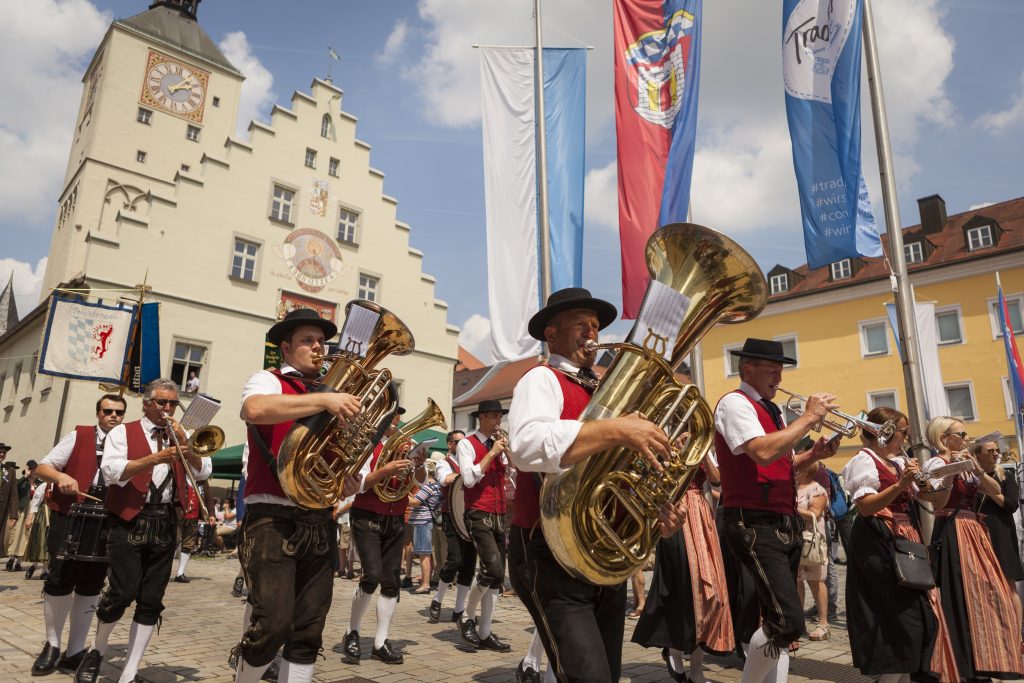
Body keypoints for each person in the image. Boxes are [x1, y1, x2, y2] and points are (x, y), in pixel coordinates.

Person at [507, 287, 687, 682]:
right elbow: (524, 446)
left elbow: (622, 475)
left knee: (605, 673)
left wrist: (656, 510)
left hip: (601, 553)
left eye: (595, 325)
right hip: (548, 551)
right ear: (551, 335)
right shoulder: (541, 378)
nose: (592, 332)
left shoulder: (605, 390)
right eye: (580, 325)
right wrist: (614, 428)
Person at [233, 308, 361, 683]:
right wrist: (325, 400)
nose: (318, 347)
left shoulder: (328, 391)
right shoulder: (268, 379)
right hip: (271, 517)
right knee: (272, 625)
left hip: (318, 518)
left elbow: (331, 454)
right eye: (308, 340)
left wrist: (343, 475)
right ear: (286, 348)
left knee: (308, 629)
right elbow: (253, 409)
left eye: (321, 341)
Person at [713, 337, 839, 683]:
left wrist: (813, 455)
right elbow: (761, 451)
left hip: (781, 519)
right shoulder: (734, 404)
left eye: (781, 370)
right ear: (748, 369)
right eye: (772, 370)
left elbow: (780, 464)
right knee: (788, 620)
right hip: (752, 519)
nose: (779, 378)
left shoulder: (773, 410)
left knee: (776, 619)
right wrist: (810, 418)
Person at [75, 378, 211, 683]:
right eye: (161, 402)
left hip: (165, 519)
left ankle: (130, 670)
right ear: (147, 403)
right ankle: (97, 650)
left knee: (152, 598)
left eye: (173, 403)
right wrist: (153, 459)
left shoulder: (181, 434)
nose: (167, 409)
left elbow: (203, 471)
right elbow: (111, 472)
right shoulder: (124, 431)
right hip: (129, 518)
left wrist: (186, 446)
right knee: (122, 592)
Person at [841, 406, 959, 682]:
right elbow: (867, 507)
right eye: (904, 432)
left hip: (905, 540)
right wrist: (899, 484)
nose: (906, 438)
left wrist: (948, 477)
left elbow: (934, 502)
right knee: (897, 620)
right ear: (887, 433)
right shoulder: (864, 460)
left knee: (917, 619)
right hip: (878, 540)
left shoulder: (896, 462)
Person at [30, 394, 125, 676]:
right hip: (70, 516)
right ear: (98, 413)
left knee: (92, 583)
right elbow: (42, 468)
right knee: (59, 580)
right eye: (108, 411)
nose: (113, 416)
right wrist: (61, 477)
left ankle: (75, 650)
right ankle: (52, 644)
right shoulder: (78, 436)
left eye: (119, 412)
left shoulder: (126, 443)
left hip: (106, 518)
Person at [925, 416, 1024, 680]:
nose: (967, 438)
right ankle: (961, 662)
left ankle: (985, 655)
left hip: (973, 530)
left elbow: (994, 489)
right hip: (951, 528)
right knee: (959, 595)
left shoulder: (968, 465)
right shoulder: (936, 462)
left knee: (992, 593)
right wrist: (950, 472)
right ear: (944, 438)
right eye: (962, 433)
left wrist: (976, 470)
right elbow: (937, 503)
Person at [632, 456, 735, 683]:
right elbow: (646, 475)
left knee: (708, 591)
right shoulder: (663, 438)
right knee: (681, 584)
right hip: (671, 510)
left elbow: (717, 481)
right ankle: (675, 651)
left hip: (700, 512)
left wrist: (704, 452)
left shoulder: (702, 443)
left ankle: (696, 669)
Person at [343, 407, 419, 666]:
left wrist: (416, 464)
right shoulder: (367, 443)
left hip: (395, 517)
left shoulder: (406, 444)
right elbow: (360, 484)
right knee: (372, 575)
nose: (396, 420)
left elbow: (416, 483)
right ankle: (352, 631)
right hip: (368, 515)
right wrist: (386, 470)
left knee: (391, 582)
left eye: (398, 416)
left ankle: (380, 642)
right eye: (392, 415)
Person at [456, 399, 513, 652]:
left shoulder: (499, 445)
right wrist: (492, 453)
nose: (498, 421)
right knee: (494, 570)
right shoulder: (467, 444)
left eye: (499, 416)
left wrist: (509, 453)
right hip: (478, 513)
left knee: (496, 577)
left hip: (501, 514)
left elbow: (516, 471)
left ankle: (485, 631)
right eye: (493, 416)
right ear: (481, 418)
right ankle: (468, 615)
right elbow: (468, 479)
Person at [428, 429, 476, 625]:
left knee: (469, 563)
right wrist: (466, 475)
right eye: (459, 442)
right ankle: (438, 599)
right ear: (450, 445)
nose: (464, 446)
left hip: (471, 516)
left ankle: (458, 609)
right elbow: (444, 479)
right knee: (454, 559)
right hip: (451, 515)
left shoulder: (470, 461)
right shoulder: (443, 463)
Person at [973, 436, 1024, 584]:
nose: (995, 454)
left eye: (997, 450)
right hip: (980, 531)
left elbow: (1012, 505)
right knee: (986, 581)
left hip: (1002, 531)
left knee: (1008, 581)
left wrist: (989, 491)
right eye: (990, 451)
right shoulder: (972, 478)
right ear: (978, 455)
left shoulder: (1005, 476)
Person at [794, 462, 829, 642]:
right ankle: (799, 622)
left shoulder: (817, 489)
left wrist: (793, 509)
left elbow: (815, 513)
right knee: (797, 581)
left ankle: (823, 623)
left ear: (806, 470)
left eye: (798, 468)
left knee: (816, 582)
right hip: (795, 540)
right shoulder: (793, 487)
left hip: (811, 543)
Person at [407, 453, 440, 593]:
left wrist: (402, 494)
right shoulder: (436, 486)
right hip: (425, 522)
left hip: (422, 522)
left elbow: (414, 502)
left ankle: (425, 584)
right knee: (425, 553)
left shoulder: (428, 487)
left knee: (423, 554)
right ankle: (426, 581)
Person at [0, 444, 18, 556]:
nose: (2, 454)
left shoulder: (9, 471)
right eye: (0, 452)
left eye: (4, 452)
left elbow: (13, 494)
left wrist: (13, 515)